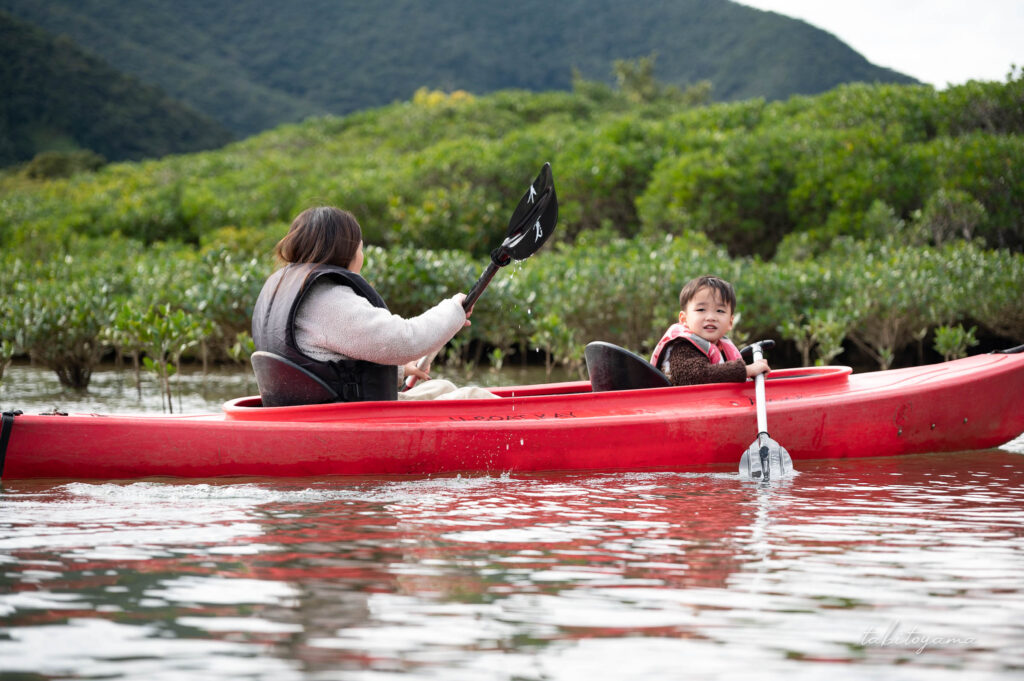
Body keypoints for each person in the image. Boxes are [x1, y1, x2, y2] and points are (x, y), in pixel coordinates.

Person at [252, 206, 496, 402]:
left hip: (316, 408)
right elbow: (405, 341)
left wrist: (400, 370)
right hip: (344, 419)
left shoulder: (290, 290)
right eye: (360, 248)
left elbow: (322, 360)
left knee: (443, 387)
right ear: (346, 252)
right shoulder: (329, 300)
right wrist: (453, 309)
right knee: (475, 397)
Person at [649, 275, 770, 386]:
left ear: (730, 322)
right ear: (684, 319)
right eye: (701, 310)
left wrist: (754, 372)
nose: (711, 317)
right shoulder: (683, 346)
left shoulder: (720, 346)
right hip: (678, 406)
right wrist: (747, 370)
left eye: (720, 311)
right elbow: (696, 375)